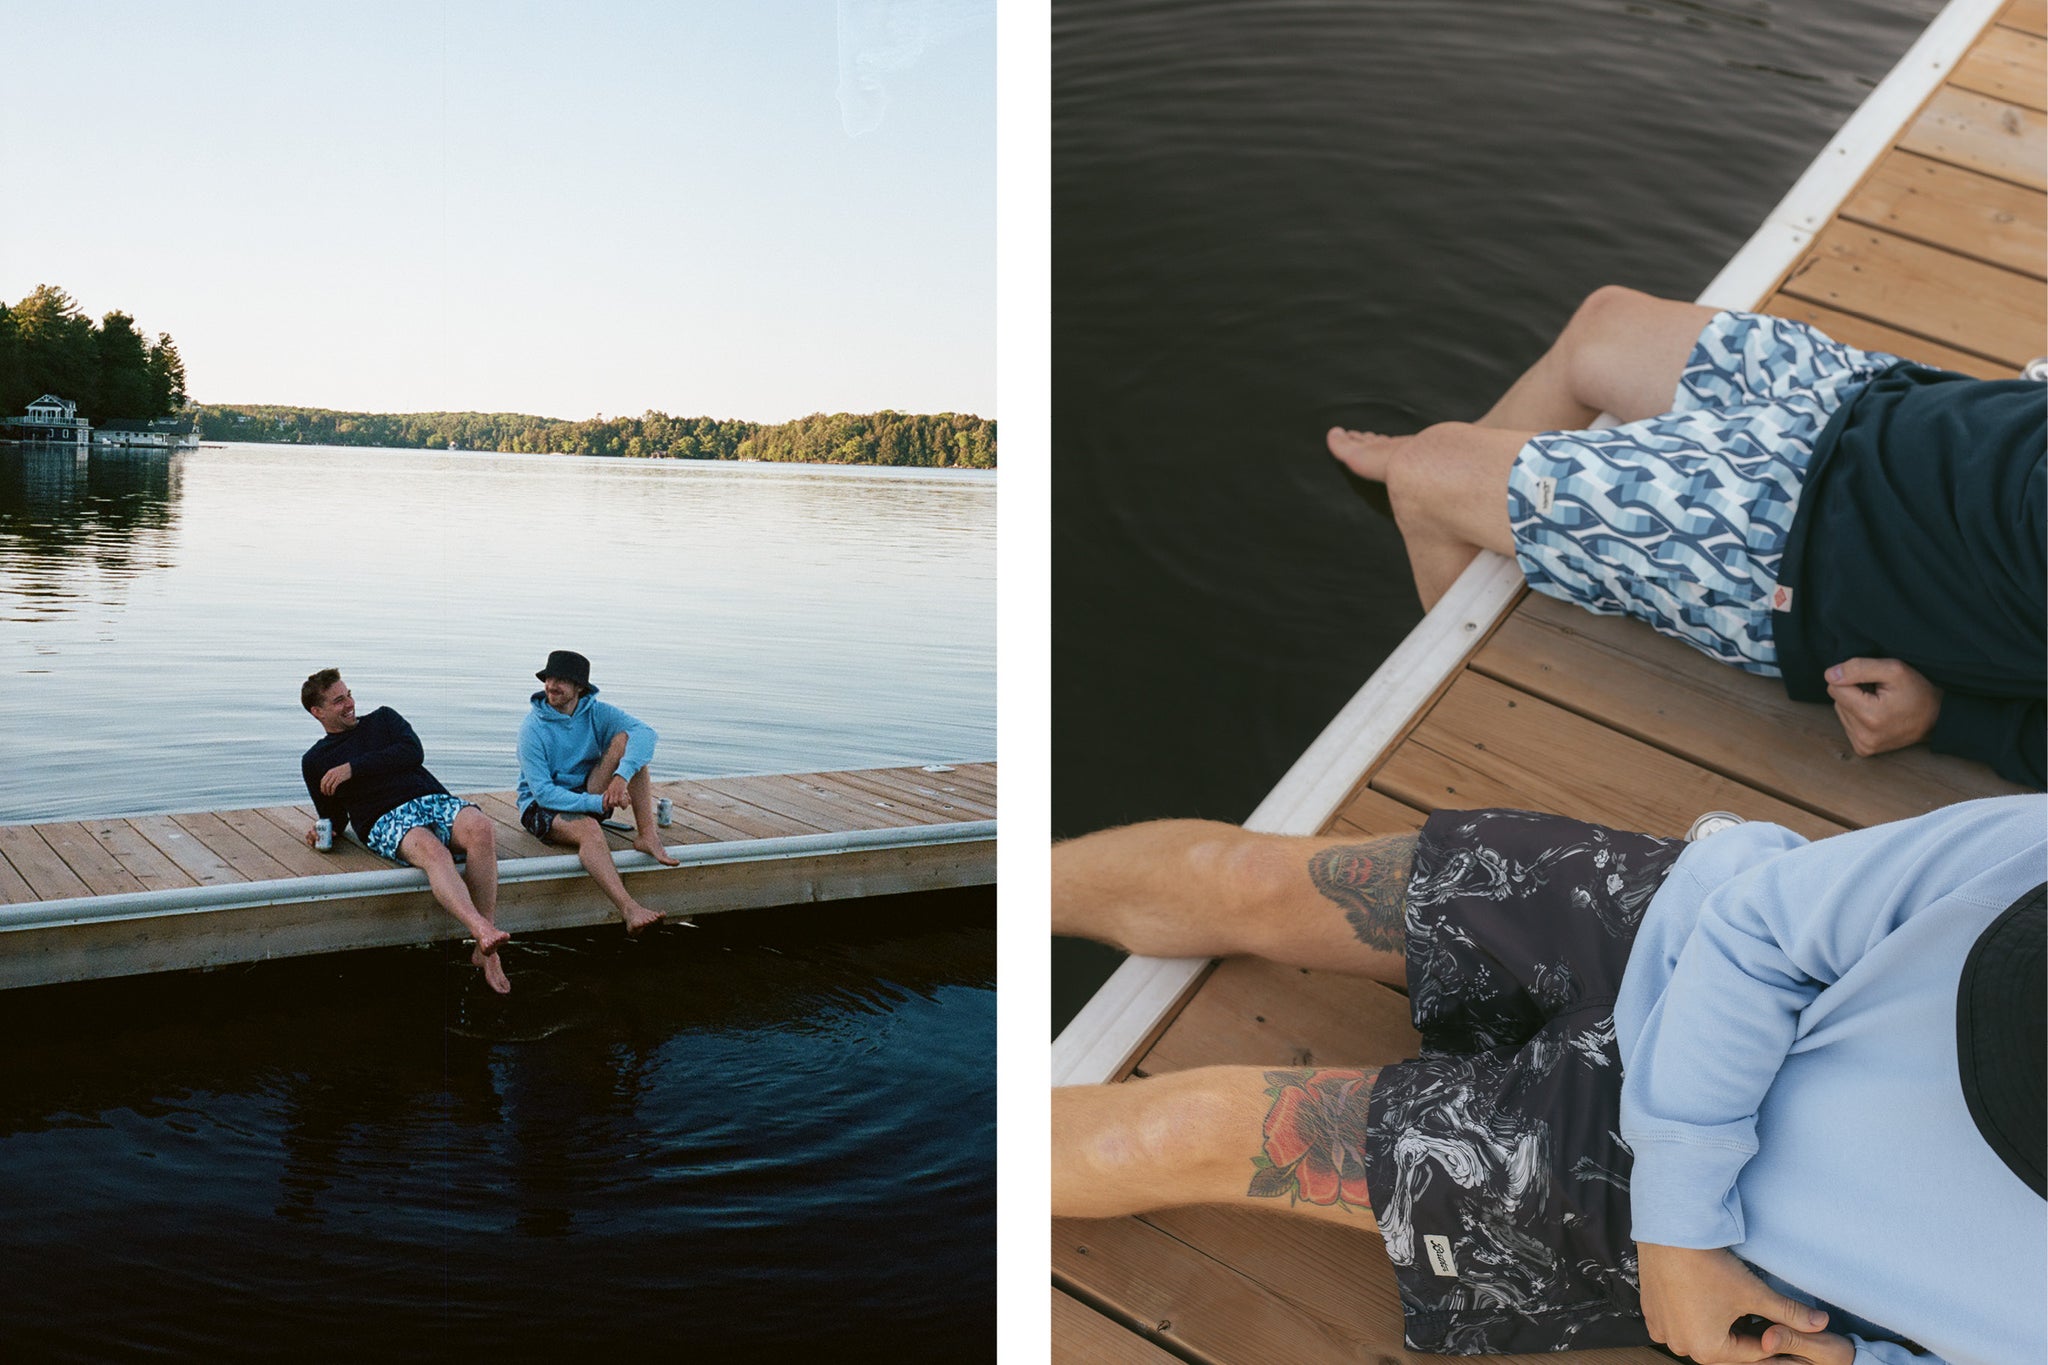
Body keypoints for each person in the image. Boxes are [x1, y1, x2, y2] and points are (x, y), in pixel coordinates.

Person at [1051, 798, 2045, 1363]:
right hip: (1686, 938)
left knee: (1182, 1133)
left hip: (1693, 1229)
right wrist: (1679, 1206)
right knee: (1242, 881)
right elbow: (1762, 924)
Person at [1324, 286, 2045, 787]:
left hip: (1795, 547)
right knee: (1603, 326)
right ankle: (1502, 506)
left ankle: (1457, 695)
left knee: (1428, 471)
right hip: (1882, 402)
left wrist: (1955, 719)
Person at [300, 669, 510, 994]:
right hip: (384, 818)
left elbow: (412, 752)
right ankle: (482, 931)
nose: (350, 703)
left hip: (432, 799)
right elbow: (332, 816)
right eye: (339, 700)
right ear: (318, 712)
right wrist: (322, 829)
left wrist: (353, 768)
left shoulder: (384, 719)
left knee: (481, 827)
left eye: (349, 694)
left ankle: (486, 951)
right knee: (433, 852)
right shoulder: (315, 760)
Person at [515, 649, 685, 935]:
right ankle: (630, 909)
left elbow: (646, 733)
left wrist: (621, 776)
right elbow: (543, 794)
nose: (551, 686)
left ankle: (648, 837)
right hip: (542, 807)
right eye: (549, 678)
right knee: (590, 831)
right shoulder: (532, 728)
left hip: (587, 792)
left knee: (628, 745)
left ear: (579, 687)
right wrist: (597, 802)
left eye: (561, 681)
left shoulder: (595, 711)